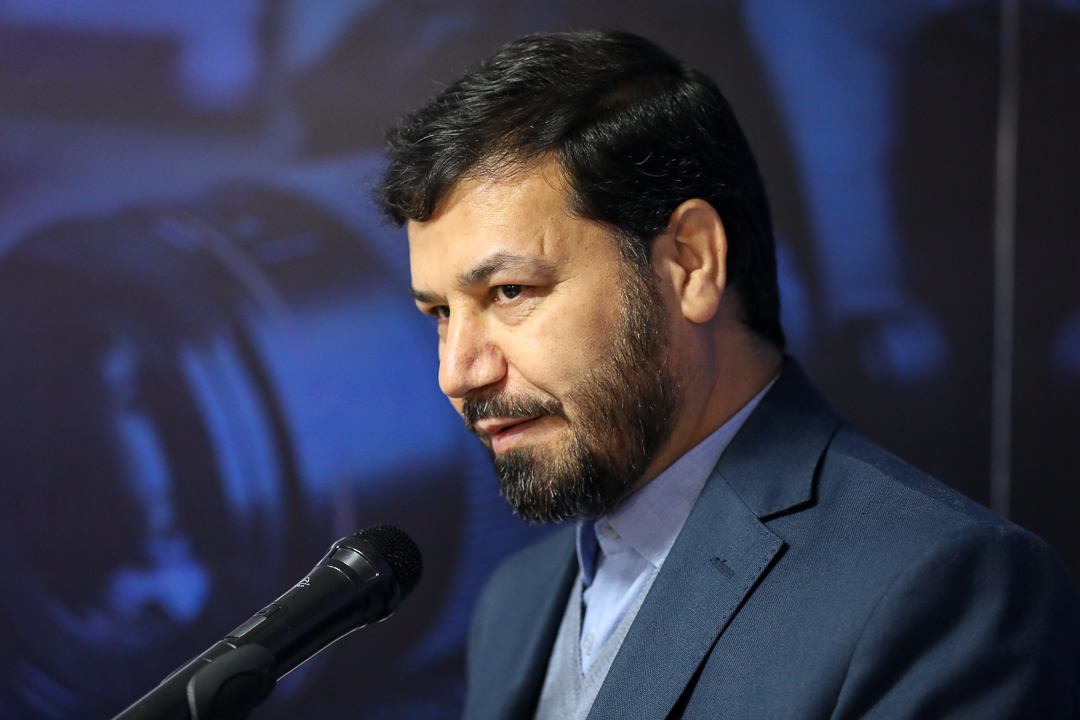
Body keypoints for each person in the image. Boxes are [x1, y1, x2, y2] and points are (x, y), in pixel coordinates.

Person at [375, 30, 1080, 719]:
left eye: (509, 292)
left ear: (691, 263)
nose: (456, 373)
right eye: (439, 312)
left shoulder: (944, 587)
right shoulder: (515, 601)